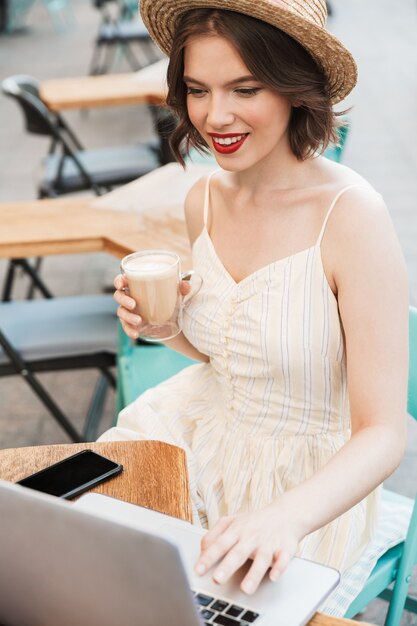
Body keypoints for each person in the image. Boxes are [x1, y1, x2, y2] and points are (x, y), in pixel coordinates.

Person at [99, 0, 409, 615]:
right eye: (197, 90)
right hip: (197, 434)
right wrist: (164, 326)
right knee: (98, 569)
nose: (216, 116)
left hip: (309, 487)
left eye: (245, 88)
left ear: (296, 87)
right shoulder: (204, 199)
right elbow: (232, 352)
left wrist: (283, 519)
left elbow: (384, 433)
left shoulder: (353, 217)